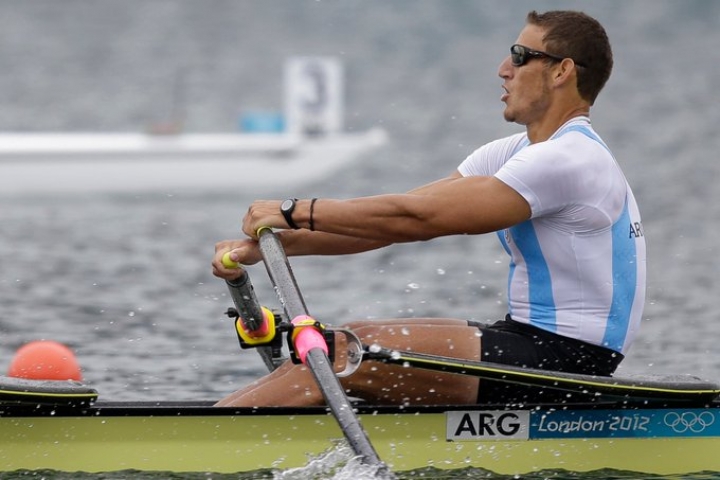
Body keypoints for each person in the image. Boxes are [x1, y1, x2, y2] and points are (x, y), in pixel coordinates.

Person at [211, 10, 646, 407]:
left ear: (561, 71)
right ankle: (219, 427)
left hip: (568, 363)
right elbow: (392, 224)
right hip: (529, 339)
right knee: (353, 337)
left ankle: (199, 443)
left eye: (520, 56)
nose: (503, 70)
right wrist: (279, 245)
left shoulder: (567, 159)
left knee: (343, 354)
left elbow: (420, 219)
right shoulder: (516, 152)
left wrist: (294, 209)